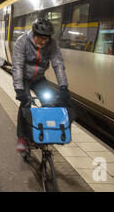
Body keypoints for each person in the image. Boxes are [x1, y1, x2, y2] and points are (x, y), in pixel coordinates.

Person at [12, 18, 71, 153]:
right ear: (34, 34)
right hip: (24, 79)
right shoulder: (22, 42)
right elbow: (17, 66)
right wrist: (19, 89)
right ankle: (22, 137)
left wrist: (63, 86)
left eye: (46, 39)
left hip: (39, 79)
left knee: (49, 102)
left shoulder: (52, 44)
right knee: (25, 105)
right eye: (41, 39)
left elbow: (58, 64)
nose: (44, 42)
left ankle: (45, 131)